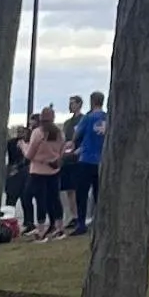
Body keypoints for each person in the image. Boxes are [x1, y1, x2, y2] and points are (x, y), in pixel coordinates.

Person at [22, 113, 66, 240]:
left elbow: (29, 155)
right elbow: (62, 151)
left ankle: (41, 231)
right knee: (55, 199)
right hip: (54, 169)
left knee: (41, 200)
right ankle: (59, 228)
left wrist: (23, 146)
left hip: (38, 170)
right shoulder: (60, 134)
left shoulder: (37, 133)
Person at [72, 91, 107, 235]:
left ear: (92, 101)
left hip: (86, 159)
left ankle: (81, 223)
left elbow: (76, 135)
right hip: (102, 160)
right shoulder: (108, 117)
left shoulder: (88, 118)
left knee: (82, 193)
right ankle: (101, 221)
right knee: (100, 193)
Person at [61, 95, 85, 231]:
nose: (70, 106)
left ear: (79, 104)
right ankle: (73, 216)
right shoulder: (67, 123)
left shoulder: (82, 120)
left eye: (73, 103)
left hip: (78, 158)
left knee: (77, 189)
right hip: (67, 159)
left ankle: (80, 216)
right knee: (69, 190)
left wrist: (78, 151)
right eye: (69, 103)